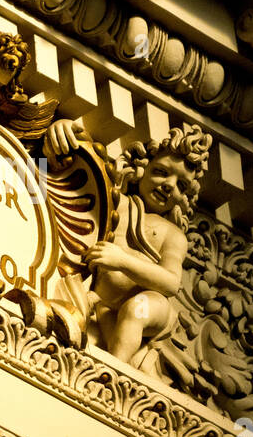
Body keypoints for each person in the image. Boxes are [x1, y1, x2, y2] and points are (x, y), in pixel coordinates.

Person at [45, 120, 211, 365]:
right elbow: (79, 179)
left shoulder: (173, 234)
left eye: (181, 185)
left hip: (151, 306)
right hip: (101, 304)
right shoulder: (118, 203)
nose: (169, 185)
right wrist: (63, 131)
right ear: (141, 168)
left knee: (137, 309)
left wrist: (122, 261)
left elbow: (171, 282)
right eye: (162, 172)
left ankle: (115, 374)